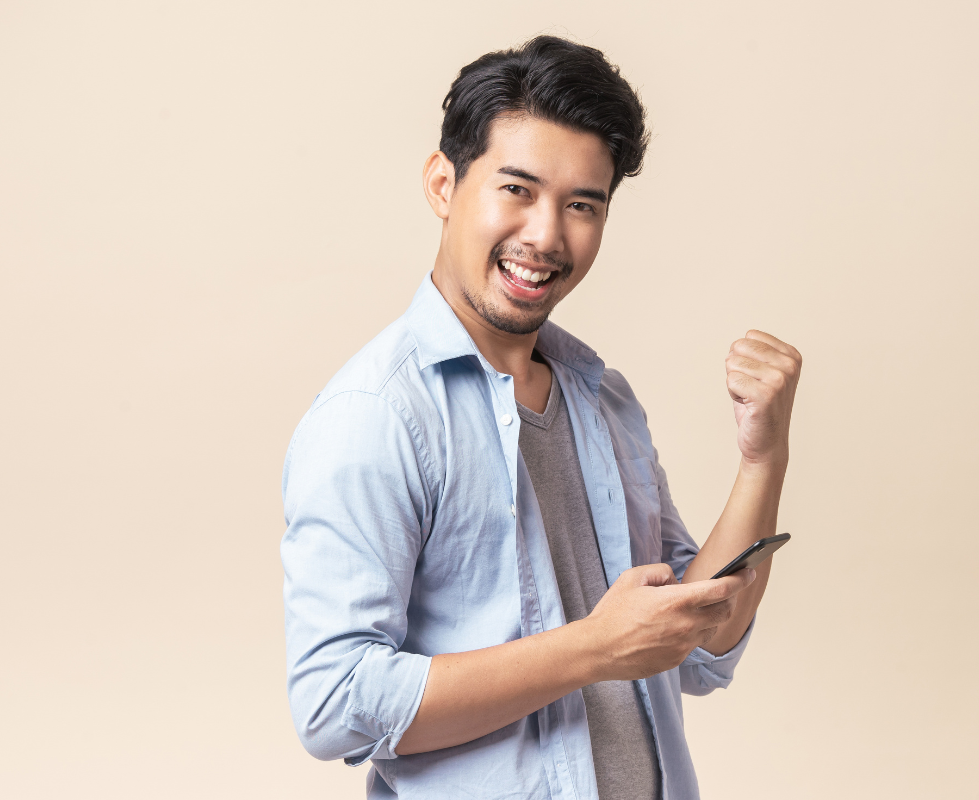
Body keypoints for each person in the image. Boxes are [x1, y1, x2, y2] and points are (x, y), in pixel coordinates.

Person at [280, 35, 802, 800]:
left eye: (582, 204)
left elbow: (699, 640)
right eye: (517, 189)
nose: (547, 235)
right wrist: (593, 648)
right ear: (443, 183)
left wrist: (765, 457)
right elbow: (334, 702)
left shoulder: (601, 397)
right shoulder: (376, 416)